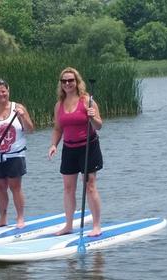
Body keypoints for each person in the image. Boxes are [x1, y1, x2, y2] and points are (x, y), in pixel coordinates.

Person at [48, 67, 103, 236]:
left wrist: (92, 116)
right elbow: (58, 128)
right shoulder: (59, 105)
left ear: (77, 82)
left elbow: (99, 126)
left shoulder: (87, 101)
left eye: (70, 80)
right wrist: (53, 145)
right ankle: (68, 225)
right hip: (69, 149)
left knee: (90, 186)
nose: (67, 83)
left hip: (88, 146)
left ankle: (96, 226)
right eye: (64, 81)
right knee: (68, 188)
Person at [0, 78, 34, 228]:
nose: (1, 94)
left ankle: (20, 218)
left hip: (15, 154)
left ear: (8, 91)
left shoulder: (18, 108)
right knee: (0, 186)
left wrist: (22, 116)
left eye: (3, 91)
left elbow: (30, 129)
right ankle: (3, 218)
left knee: (15, 186)